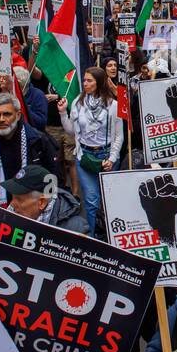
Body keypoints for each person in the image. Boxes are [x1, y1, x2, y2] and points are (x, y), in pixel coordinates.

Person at [58, 67, 121, 233]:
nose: (85, 83)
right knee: (91, 200)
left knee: (108, 201)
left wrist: (113, 158)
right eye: (84, 80)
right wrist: (63, 113)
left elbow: (119, 136)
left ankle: (110, 235)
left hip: (106, 157)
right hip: (84, 156)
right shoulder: (78, 102)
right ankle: (95, 238)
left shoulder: (113, 105)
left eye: (89, 80)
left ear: (99, 82)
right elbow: (71, 131)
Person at [0, 93, 58, 218]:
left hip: (35, 214)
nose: (1, 119)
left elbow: (53, 175)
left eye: (7, 114)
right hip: (0, 213)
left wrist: (47, 209)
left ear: (18, 115)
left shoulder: (37, 140)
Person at [1, 163, 87, 232]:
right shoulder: (9, 217)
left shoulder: (76, 229)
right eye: (12, 198)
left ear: (42, 202)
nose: (12, 204)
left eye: (19, 200)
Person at [13, 66, 49, 136]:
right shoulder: (5, 92)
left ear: (21, 85)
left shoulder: (38, 95)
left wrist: (23, 107)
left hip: (32, 137)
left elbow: (41, 123)